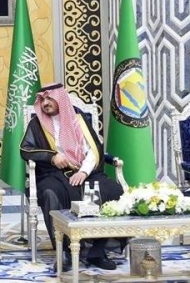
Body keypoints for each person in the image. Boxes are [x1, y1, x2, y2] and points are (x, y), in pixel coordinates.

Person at [19, 83, 118, 270]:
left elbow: (94, 149)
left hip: (84, 171)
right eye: (42, 100)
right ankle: (63, 251)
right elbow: (26, 150)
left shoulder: (79, 120)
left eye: (49, 98)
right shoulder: (37, 124)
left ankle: (97, 251)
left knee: (111, 190)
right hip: (52, 173)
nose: (45, 103)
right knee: (50, 193)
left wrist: (83, 172)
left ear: (60, 99)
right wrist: (52, 156)